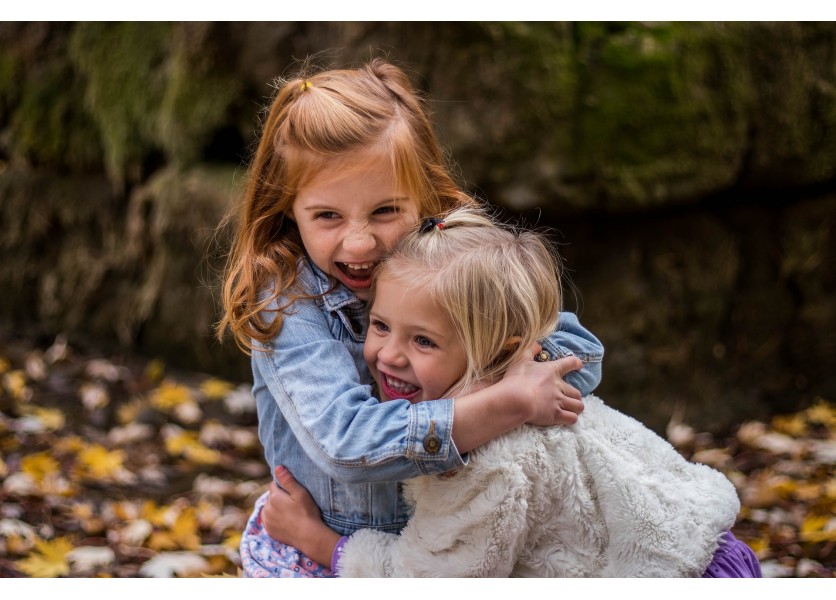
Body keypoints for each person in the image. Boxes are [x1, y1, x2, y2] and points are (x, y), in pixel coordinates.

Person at [216, 58, 605, 577]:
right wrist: (499, 403)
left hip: (448, 541)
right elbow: (347, 443)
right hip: (324, 548)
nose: (360, 242)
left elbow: (580, 355)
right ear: (288, 208)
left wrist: (502, 379)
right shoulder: (288, 301)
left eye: (384, 212)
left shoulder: (450, 264)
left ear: (423, 195)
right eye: (327, 216)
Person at [262, 207, 763, 578]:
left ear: (500, 349)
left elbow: (430, 580)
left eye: (423, 340)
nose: (389, 355)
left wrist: (320, 542)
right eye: (379, 325)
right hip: (700, 545)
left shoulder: (485, 460)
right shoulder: (533, 383)